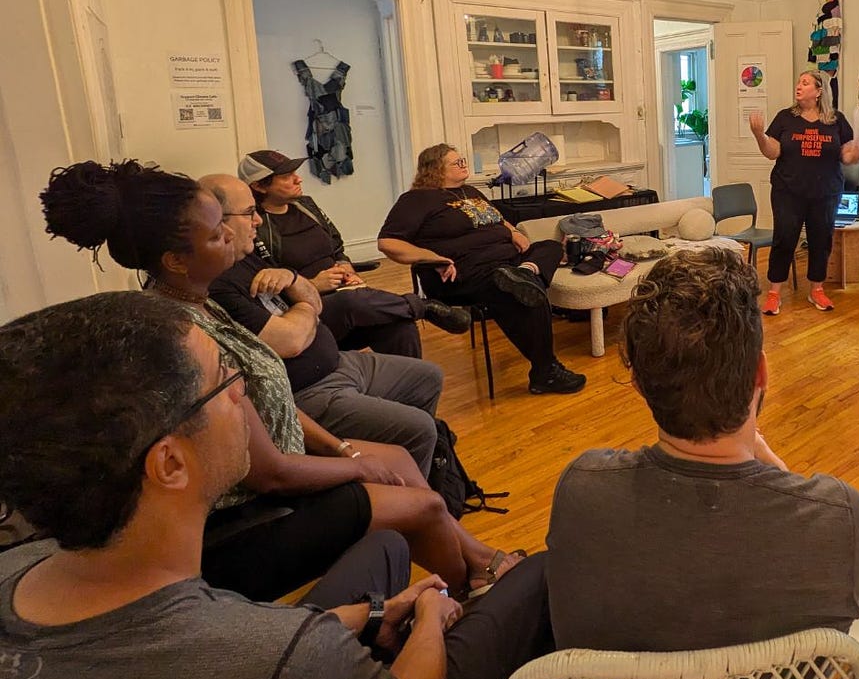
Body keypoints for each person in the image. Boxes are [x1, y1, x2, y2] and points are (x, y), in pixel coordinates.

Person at [0, 291, 553, 679]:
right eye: (224, 379)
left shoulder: (20, 566)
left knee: (385, 548)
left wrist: (369, 613)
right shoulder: (273, 658)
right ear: (168, 462)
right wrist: (429, 616)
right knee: (537, 576)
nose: (244, 392)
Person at [39, 160, 527, 602]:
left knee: (399, 457)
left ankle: (479, 566)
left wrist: (341, 449)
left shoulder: (200, 301)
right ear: (176, 260)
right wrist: (356, 467)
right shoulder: (185, 337)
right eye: (216, 235)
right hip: (245, 512)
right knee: (421, 503)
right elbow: (267, 470)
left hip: (281, 461)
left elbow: (268, 402)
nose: (233, 238)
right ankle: (469, 592)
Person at [545, 246, 859, 650]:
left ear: (638, 383)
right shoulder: (841, 520)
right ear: (761, 372)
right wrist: (778, 472)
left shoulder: (582, 487)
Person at [201, 173, 443, 478]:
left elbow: (316, 273)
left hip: (332, 350)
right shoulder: (218, 281)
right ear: (218, 222)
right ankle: (406, 498)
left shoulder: (257, 246)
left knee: (422, 367)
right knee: (418, 426)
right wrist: (306, 300)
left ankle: (420, 471)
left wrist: (305, 279)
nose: (257, 221)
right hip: (309, 386)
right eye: (249, 213)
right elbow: (291, 339)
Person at [377, 144, 585, 395]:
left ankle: (526, 272)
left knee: (550, 247)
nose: (464, 164)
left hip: (507, 263)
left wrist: (514, 231)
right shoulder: (416, 200)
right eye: (456, 162)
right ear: (434, 169)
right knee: (523, 294)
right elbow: (388, 242)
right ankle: (545, 371)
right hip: (465, 271)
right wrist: (431, 257)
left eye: (462, 160)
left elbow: (497, 218)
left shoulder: (471, 192)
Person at [240, 148, 472, 356]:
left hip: (345, 291)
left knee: (399, 324)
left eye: (295, 172)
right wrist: (310, 285)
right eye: (286, 177)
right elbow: (263, 290)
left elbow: (336, 245)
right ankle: (422, 306)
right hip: (304, 309)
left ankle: (414, 394)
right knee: (351, 301)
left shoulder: (305, 205)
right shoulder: (252, 228)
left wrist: (345, 266)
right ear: (260, 186)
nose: (298, 178)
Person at [747, 69, 859, 315]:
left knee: (821, 241)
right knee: (784, 238)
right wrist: (759, 135)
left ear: (819, 91)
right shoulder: (785, 118)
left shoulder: (836, 120)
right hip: (788, 191)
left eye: (805, 83)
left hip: (826, 192)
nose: (798, 86)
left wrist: (856, 152)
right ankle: (774, 293)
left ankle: (817, 290)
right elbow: (772, 152)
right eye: (798, 82)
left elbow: (848, 155)